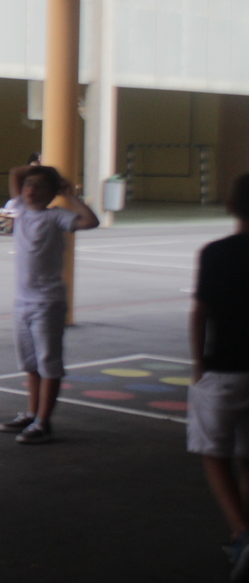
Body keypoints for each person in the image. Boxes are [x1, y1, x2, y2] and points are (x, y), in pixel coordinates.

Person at [0, 165, 98, 444]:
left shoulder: (56, 216)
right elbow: (15, 173)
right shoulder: (19, 208)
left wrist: (69, 194)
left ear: (53, 192)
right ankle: (32, 413)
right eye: (28, 185)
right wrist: (38, 169)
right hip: (22, 302)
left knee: (48, 363)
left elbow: (91, 221)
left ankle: (43, 422)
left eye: (39, 186)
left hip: (47, 302)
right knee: (30, 364)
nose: (30, 190)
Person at [188, 173, 249, 579]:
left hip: (223, 369)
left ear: (230, 206)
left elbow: (200, 313)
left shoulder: (216, 253)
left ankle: (241, 532)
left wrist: (198, 366)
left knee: (215, 452)